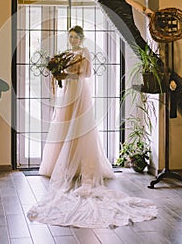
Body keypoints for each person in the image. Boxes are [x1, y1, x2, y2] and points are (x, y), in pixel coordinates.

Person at [27, 25, 157, 228]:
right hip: (68, 91)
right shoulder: (68, 53)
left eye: (75, 37)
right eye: (70, 37)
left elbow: (86, 74)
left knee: (79, 126)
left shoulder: (84, 52)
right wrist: (58, 73)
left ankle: (82, 166)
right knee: (63, 124)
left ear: (81, 38)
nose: (72, 40)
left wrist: (66, 76)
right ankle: (60, 163)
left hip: (78, 90)